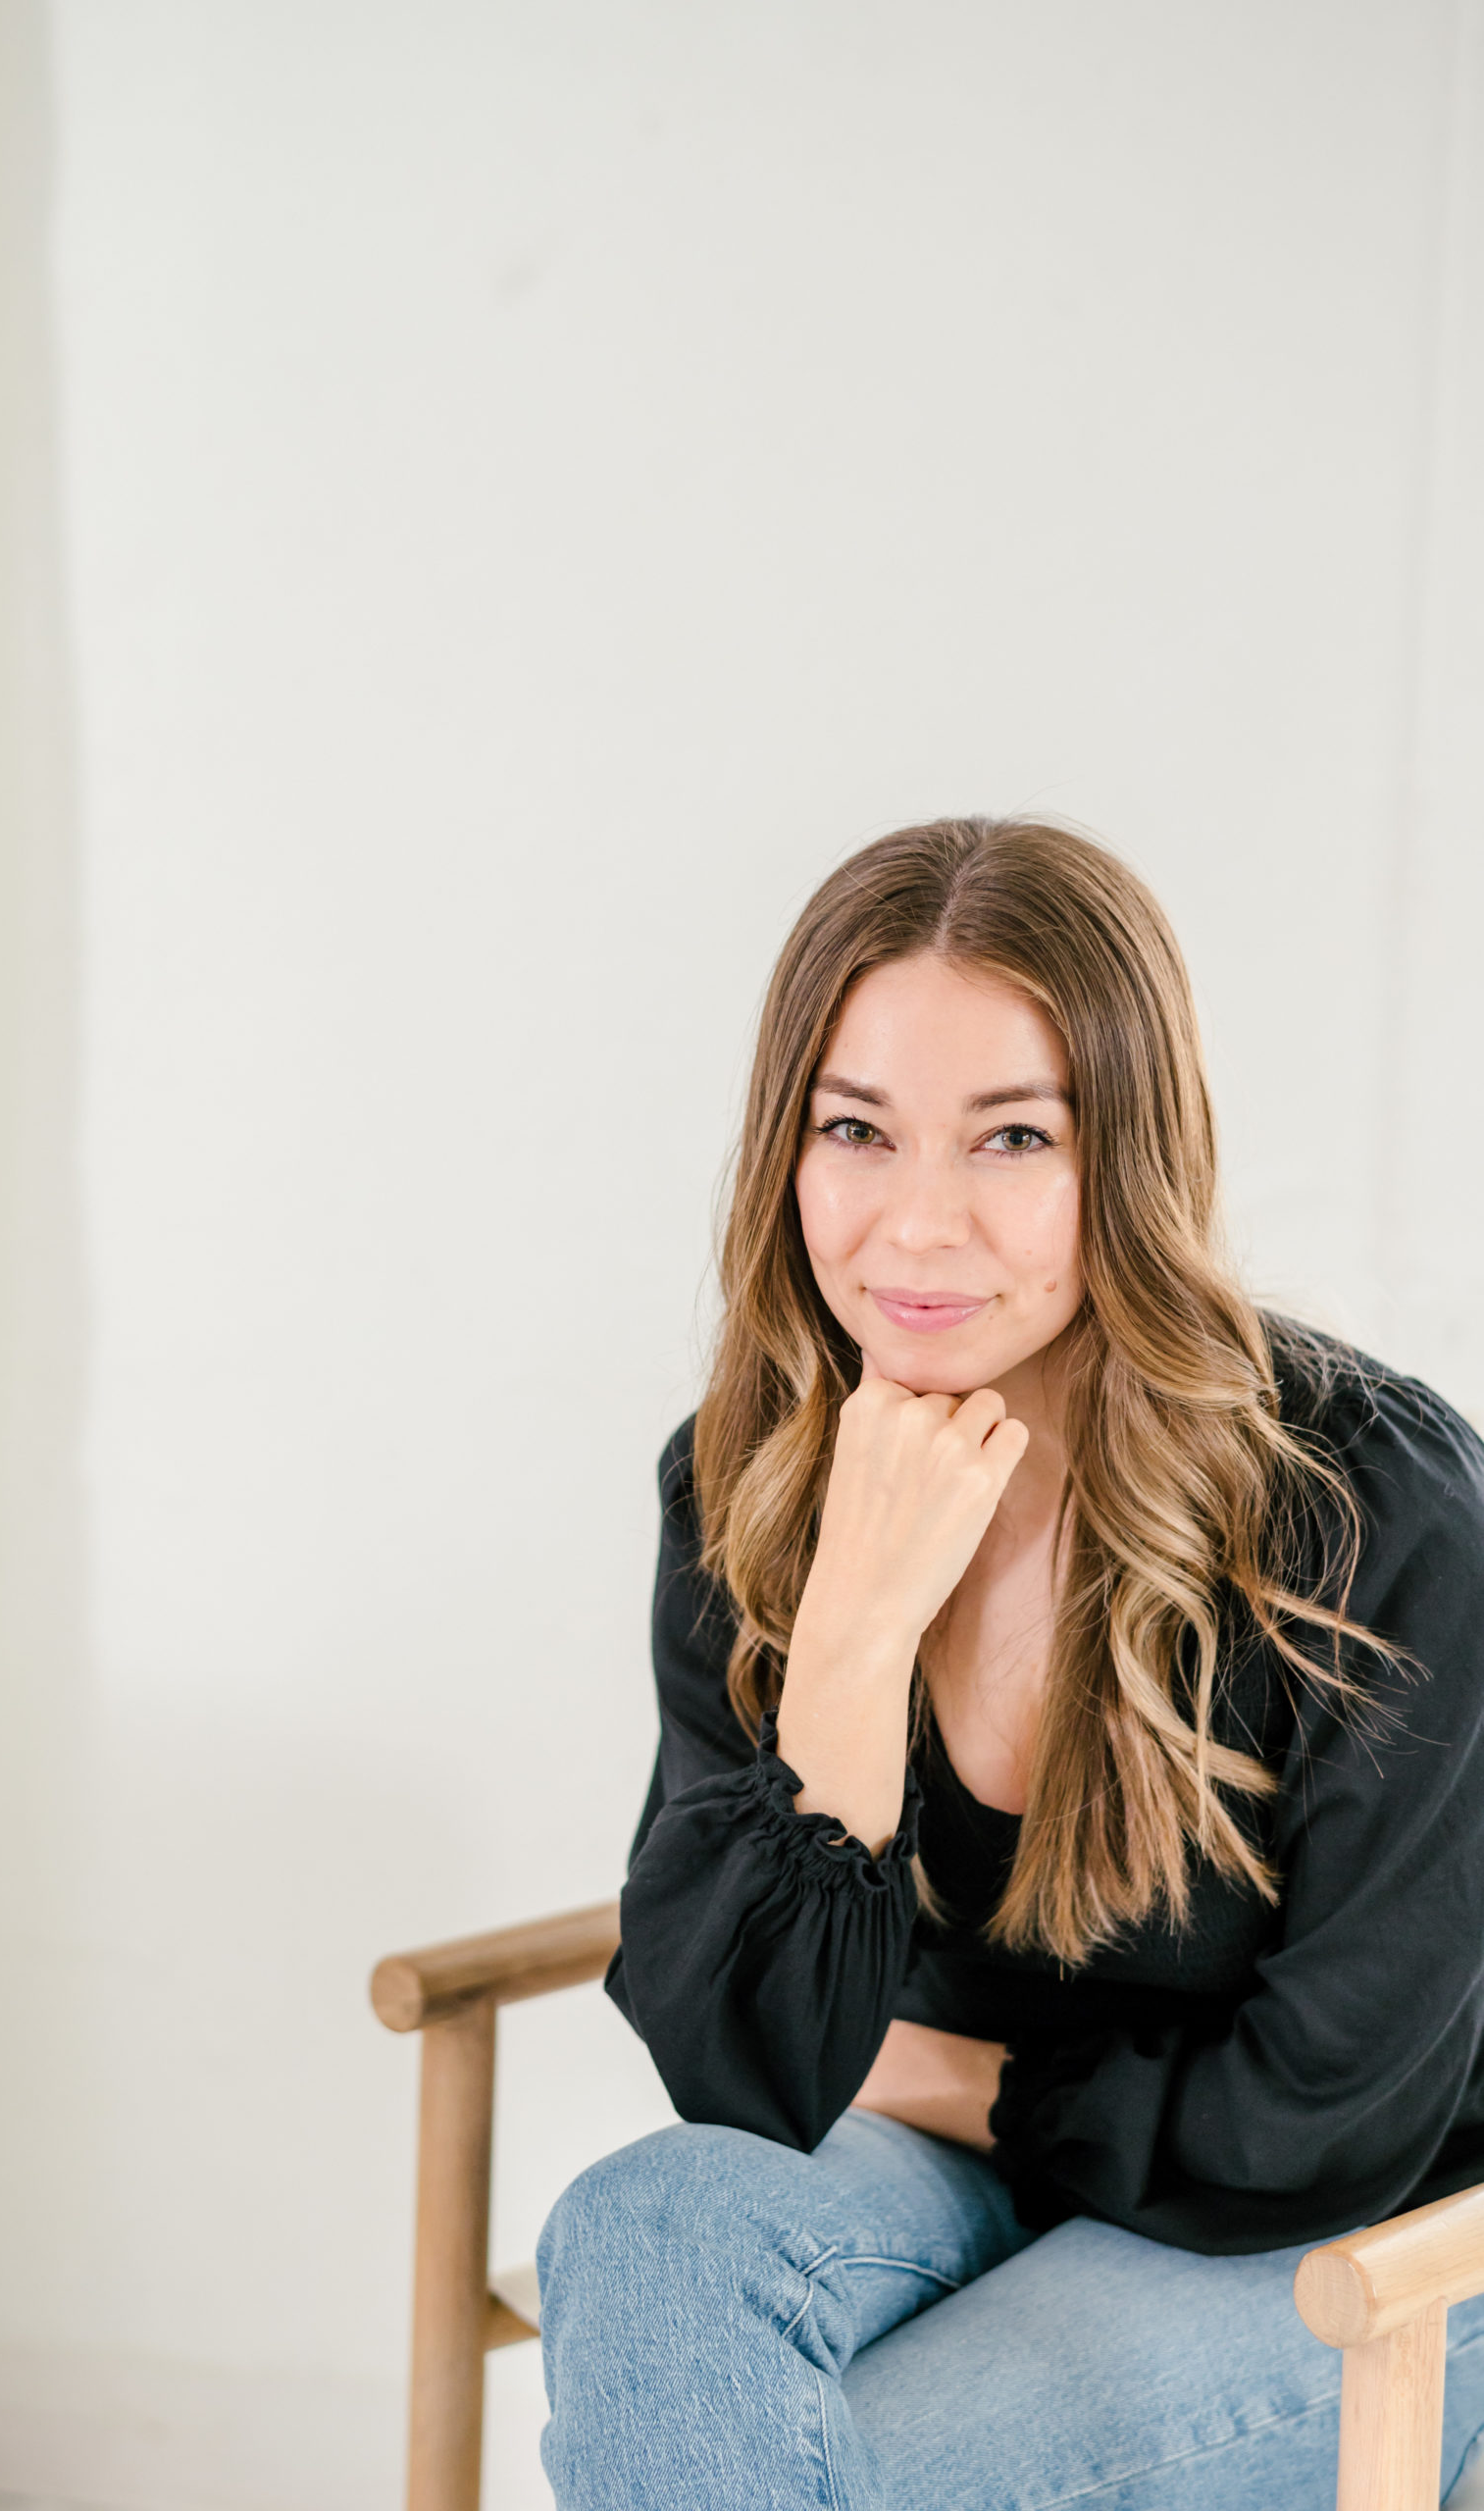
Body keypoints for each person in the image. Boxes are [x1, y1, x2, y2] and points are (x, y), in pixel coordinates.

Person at [536, 817, 1484, 2510]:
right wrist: (854, 1627)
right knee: (643, 2231)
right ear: (786, 1150)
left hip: (1365, 2246)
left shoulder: (1370, 1510)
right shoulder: (745, 1478)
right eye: (858, 1130)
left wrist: (936, 2070)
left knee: (845, 2471)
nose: (917, 1227)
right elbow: (744, 2069)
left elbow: (1314, 2127)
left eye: (1012, 1139)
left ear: (1129, 1156)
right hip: (975, 2183)